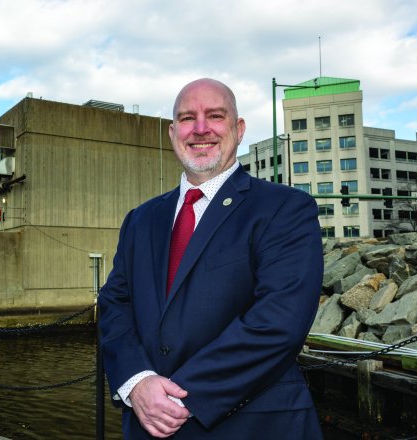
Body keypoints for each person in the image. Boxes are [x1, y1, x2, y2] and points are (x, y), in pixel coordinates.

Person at [98, 78, 324, 439]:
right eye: (188, 118)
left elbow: (279, 321)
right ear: (173, 133)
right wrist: (137, 381)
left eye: (215, 116)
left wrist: (181, 397)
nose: (200, 129)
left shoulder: (285, 208)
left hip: (252, 425)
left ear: (239, 128)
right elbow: (114, 305)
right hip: (146, 424)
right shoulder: (140, 219)